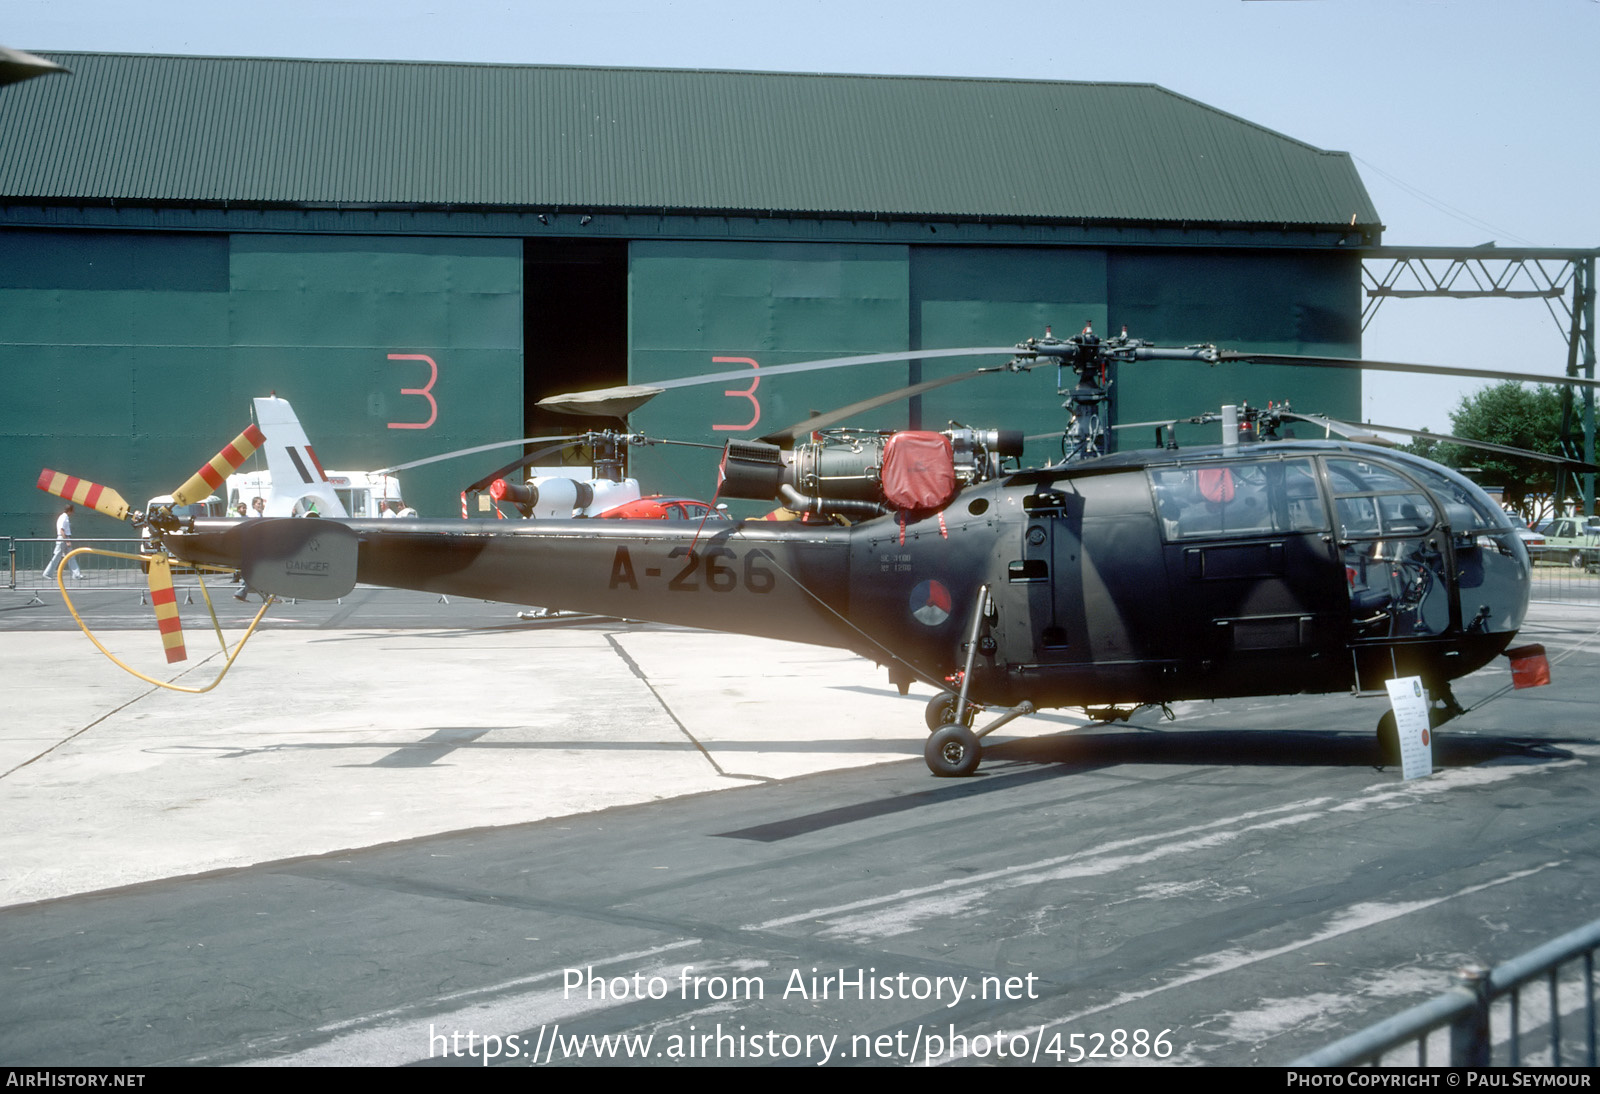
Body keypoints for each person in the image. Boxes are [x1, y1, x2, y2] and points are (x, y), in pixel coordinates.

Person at [44, 503, 82, 580]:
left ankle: (76, 574)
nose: (73, 512)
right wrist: (67, 541)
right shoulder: (63, 518)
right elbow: (62, 530)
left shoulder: (64, 517)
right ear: (70, 510)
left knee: (71, 556)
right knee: (57, 556)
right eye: (73, 510)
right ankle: (47, 573)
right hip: (63, 539)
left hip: (64, 538)